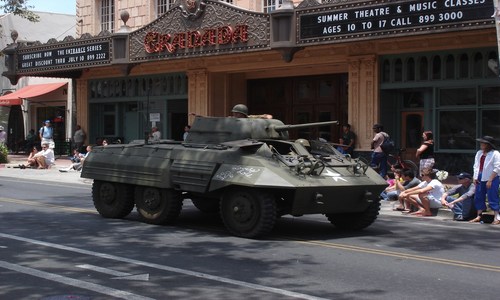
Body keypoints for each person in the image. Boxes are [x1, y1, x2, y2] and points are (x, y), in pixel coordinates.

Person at [469, 136, 500, 225]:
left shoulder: (495, 153)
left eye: (483, 143)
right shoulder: (479, 153)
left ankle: (497, 217)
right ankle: (479, 215)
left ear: (488, 145)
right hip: (480, 176)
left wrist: (490, 180)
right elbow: (476, 165)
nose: (481, 145)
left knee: (492, 196)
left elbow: (497, 167)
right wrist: (475, 177)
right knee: (479, 196)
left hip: (492, 177)